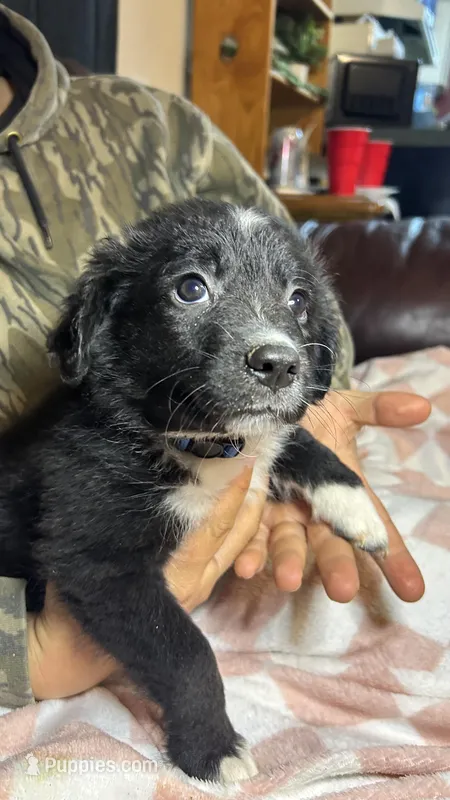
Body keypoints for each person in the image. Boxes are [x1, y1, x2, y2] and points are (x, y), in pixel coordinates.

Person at [0, 4, 428, 709]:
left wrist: (307, 433)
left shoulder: (149, 126)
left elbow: (306, 298)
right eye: (192, 288)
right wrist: (27, 657)